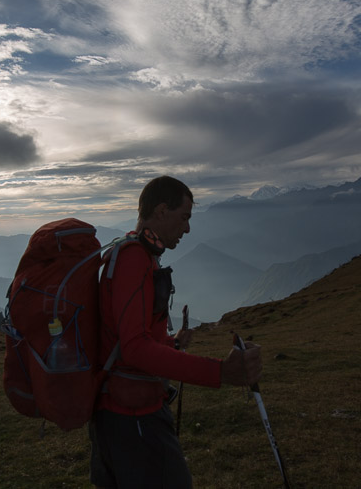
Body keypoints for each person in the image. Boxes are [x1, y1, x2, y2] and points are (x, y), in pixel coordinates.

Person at [89, 175, 263, 489]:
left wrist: (170, 344)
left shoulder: (140, 255)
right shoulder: (132, 259)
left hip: (132, 412)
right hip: (131, 417)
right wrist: (220, 372)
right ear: (161, 211)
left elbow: (131, 337)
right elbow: (134, 349)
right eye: (184, 218)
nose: (187, 229)